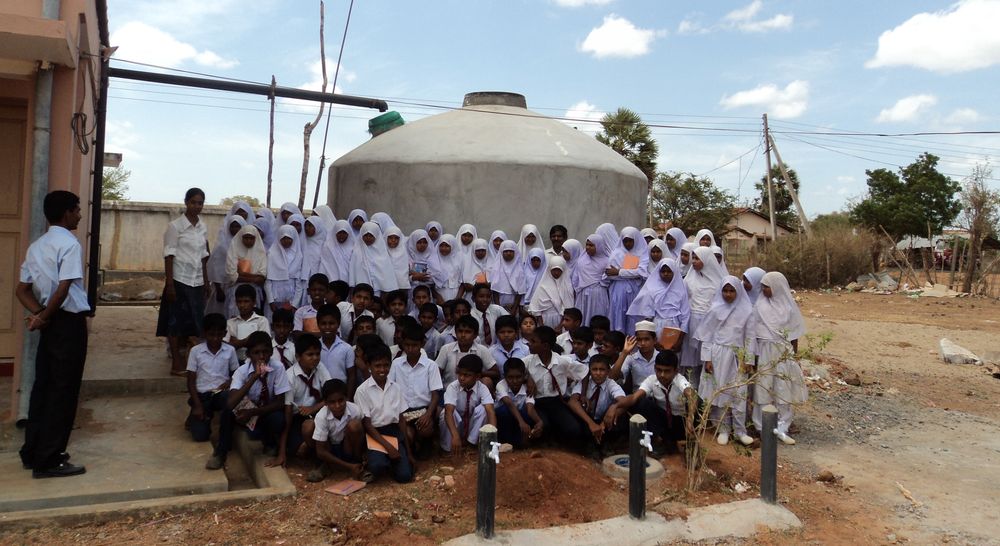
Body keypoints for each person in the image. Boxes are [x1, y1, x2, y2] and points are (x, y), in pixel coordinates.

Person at [17, 191, 91, 477]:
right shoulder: (69, 244)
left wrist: (40, 314)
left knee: (43, 387)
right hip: (67, 323)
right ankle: (49, 459)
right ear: (67, 213)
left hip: (50, 323)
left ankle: (33, 451)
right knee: (63, 391)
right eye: (77, 210)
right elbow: (64, 287)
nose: (80, 215)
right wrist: (44, 316)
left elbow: (22, 290)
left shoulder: (36, 246)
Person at [695, 276, 755, 447]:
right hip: (718, 355)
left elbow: (750, 336)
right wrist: (707, 358)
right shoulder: (714, 309)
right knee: (720, 392)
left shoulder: (747, 311)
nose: (728, 294)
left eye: (731, 291)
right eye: (725, 291)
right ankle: (723, 428)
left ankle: (740, 431)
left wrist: (748, 359)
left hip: (738, 357)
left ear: (738, 291)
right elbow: (707, 335)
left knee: (738, 393)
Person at [750, 272, 807, 445]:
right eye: (762, 287)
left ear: (776, 287)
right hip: (764, 352)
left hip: (783, 352)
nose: (764, 290)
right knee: (763, 388)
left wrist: (793, 356)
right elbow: (752, 334)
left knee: (783, 388)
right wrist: (753, 357)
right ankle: (761, 426)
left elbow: (794, 335)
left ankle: (783, 426)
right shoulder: (759, 306)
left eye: (767, 287)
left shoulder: (788, 308)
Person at [611, 350, 697, 456]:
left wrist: (690, 418)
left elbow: (692, 395)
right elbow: (634, 397)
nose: (662, 375)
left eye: (667, 371)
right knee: (642, 403)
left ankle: (691, 442)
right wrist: (615, 406)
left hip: (682, 423)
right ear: (655, 368)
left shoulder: (679, 380)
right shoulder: (652, 380)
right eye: (659, 370)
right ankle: (663, 441)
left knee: (699, 404)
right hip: (664, 422)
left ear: (675, 371)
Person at [162, 187, 209, 375]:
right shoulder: (175, 227)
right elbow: (169, 256)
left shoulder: (203, 227)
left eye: (200, 203)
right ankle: (176, 362)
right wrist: (170, 284)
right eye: (193, 202)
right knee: (175, 323)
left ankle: (189, 361)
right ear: (186, 202)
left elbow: (204, 256)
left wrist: (206, 282)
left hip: (197, 282)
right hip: (179, 280)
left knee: (195, 323)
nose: (197, 206)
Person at [354, 344, 415, 483]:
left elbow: (401, 420)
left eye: (386, 365)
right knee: (377, 466)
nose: (382, 369)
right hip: (375, 434)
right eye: (377, 366)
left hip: (393, 432)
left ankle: (393, 461)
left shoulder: (396, 387)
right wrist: (389, 447)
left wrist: (409, 453)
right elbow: (367, 425)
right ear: (369, 365)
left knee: (405, 477)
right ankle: (374, 458)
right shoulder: (362, 391)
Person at [187, 313, 240, 470]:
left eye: (219, 334)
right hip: (202, 395)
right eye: (211, 334)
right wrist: (197, 405)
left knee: (229, 404)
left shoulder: (229, 350)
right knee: (200, 436)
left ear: (224, 333)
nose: (215, 338)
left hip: (220, 393)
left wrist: (229, 382)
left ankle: (222, 449)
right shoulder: (196, 351)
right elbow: (190, 381)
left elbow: (236, 374)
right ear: (204, 333)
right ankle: (196, 411)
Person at [228, 332, 291, 462]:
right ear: (248, 354)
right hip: (248, 414)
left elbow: (280, 402)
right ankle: (222, 449)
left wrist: (254, 412)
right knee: (227, 410)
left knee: (278, 419)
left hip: (265, 411)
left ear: (271, 352)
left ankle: (270, 442)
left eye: (265, 352)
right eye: (256, 353)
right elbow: (231, 403)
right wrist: (254, 377)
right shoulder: (242, 371)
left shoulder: (278, 367)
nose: (261, 356)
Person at [523, 326, 588, 443]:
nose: (529, 344)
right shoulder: (527, 361)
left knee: (573, 429)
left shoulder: (562, 361)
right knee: (544, 425)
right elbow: (513, 372)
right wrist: (528, 378)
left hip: (556, 401)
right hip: (537, 403)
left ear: (545, 346)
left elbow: (584, 372)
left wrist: (583, 394)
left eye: (533, 341)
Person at [388, 326, 443, 456]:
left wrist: (428, 414)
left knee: (425, 429)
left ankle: (426, 442)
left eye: (414, 345)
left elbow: (435, 395)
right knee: (407, 434)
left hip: (424, 410)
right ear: (402, 344)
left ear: (422, 344)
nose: (410, 349)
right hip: (403, 411)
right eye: (407, 345)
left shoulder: (431, 365)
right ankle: (411, 447)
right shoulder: (396, 364)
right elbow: (390, 388)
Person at [278, 333, 332, 466]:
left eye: (317, 354)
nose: (315, 358)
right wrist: (282, 452)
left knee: (311, 428)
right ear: (298, 357)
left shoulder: (320, 368)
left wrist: (313, 408)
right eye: (310, 354)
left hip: (318, 411)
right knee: (299, 450)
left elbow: (332, 394)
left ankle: (323, 458)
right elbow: (288, 411)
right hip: (297, 417)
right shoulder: (290, 376)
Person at [306, 379, 370, 483]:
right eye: (332, 402)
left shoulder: (355, 410)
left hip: (347, 447)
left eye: (341, 400)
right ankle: (325, 465)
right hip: (330, 448)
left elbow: (362, 434)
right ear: (325, 403)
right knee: (307, 426)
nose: (337, 405)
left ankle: (357, 462)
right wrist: (348, 466)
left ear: (346, 398)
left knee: (355, 425)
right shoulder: (321, 416)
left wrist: (364, 454)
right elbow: (321, 451)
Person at [682, 246, 726, 391]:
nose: (693, 261)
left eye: (697, 258)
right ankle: (691, 393)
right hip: (692, 323)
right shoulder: (689, 279)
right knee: (692, 362)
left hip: (710, 326)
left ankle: (706, 393)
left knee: (707, 360)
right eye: (693, 258)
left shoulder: (719, 282)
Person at [568, 354, 627, 458]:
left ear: (608, 371)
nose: (598, 373)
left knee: (620, 413)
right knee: (578, 415)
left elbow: (623, 401)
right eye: (594, 369)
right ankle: (589, 445)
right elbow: (572, 402)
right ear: (589, 371)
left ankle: (607, 443)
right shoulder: (584, 383)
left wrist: (608, 416)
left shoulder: (611, 384)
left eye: (602, 370)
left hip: (604, 419)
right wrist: (591, 424)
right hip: (588, 420)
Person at [627, 258, 690, 353]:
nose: (666, 274)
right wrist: (653, 339)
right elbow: (648, 315)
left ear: (674, 272)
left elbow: (685, 316)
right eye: (663, 271)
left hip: (674, 327)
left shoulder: (681, 289)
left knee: (672, 355)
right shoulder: (652, 289)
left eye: (669, 271)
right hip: (656, 326)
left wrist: (680, 340)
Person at [440, 355, 497, 455]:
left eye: (467, 375)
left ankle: (471, 445)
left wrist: (492, 437)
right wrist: (455, 436)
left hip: (471, 425)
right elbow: (449, 412)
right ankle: (448, 448)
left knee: (484, 409)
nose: (461, 378)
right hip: (455, 426)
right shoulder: (453, 387)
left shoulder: (482, 388)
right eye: (460, 374)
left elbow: (490, 411)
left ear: (478, 376)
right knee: (446, 412)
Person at [605, 227, 649, 334]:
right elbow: (609, 274)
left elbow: (642, 273)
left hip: (635, 291)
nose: (628, 244)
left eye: (630, 241)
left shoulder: (642, 252)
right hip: (619, 291)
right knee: (618, 318)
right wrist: (631, 273)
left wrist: (619, 272)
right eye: (625, 241)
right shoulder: (617, 254)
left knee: (634, 319)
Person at [436, 315, 499, 385]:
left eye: (468, 332)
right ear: (455, 333)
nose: (463, 335)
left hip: (474, 389)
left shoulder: (482, 350)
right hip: (450, 388)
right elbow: (436, 373)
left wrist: (475, 373)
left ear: (475, 335)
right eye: (460, 331)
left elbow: (495, 372)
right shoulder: (446, 349)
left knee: (487, 381)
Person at [494, 358, 543, 448]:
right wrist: (521, 422)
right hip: (504, 420)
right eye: (510, 377)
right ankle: (507, 441)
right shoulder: (501, 385)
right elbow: (509, 403)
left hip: (518, 420)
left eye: (518, 377)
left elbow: (530, 408)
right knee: (504, 411)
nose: (515, 381)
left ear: (524, 376)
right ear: (504, 376)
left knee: (527, 413)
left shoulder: (527, 388)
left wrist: (539, 422)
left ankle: (522, 440)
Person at [205, 213, 246, 316]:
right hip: (222, 287)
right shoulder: (221, 246)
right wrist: (218, 289)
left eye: (238, 226)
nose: (235, 229)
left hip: (240, 286)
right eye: (232, 226)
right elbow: (215, 268)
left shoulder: (246, 245)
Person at [225, 224, 267, 318]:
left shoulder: (260, 252)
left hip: (254, 292)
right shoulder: (234, 249)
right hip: (236, 291)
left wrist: (242, 274)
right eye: (246, 238)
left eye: (251, 238)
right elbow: (232, 275)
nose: (248, 241)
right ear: (241, 237)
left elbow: (261, 277)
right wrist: (254, 277)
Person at [349, 221, 400, 296]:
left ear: (376, 236)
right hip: (360, 291)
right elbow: (353, 273)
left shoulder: (382, 254)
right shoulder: (356, 252)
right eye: (365, 235)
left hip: (377, 292)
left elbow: (386, 276)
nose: (368, 238)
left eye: (371, 236)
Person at [225, 284, 271, 363]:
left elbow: (264, 344)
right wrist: (250, 340)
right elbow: (226, 348)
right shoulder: (230, 323)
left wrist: (237, 342)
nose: (242, 305)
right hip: (235, 362)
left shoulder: (262, 321)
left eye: (246, 301)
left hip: (257, 362)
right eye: (239, 301)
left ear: (254, 302)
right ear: (236, 302)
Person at [265, 225, 303, 321]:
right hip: (275, 299)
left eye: (289, 238)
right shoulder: (271, 254)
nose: (286, 241)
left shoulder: (298, 256)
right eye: (283, 238)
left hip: (291, 300)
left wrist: (294, 304)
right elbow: (268, 281)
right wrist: (271, 301)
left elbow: (299, 283)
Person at [610, 321, 659, 393]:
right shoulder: (631, 358)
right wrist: (624, 353)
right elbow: (612, 377)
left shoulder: (661, 356)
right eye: (639, 340)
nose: (643, 343)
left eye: (646, 339)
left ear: (655, 340)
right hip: (638, 397)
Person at [315, 304, 355, 391]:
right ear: (318, 324)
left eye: (331, 323)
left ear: (338, 323)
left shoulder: (347, 348)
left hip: (341, 393)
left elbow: (351, 376)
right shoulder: (314, 347)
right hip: (319, 393)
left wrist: (348, 396)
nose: (327, 327)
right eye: (323, 323)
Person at [574, 233, 611, 326]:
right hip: (582, 294)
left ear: (599, 246)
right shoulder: (581, 260)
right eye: (587, 245)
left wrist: (601, 283)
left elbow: (608, 278)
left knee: (597, 318)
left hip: (598, 294)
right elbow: (576, 277)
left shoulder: (606, 261)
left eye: (591, 245)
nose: (588, 247)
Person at [528, 256, 575, 329]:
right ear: (549, 269)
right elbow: (536, 309)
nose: (556, 273)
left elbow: (569, 308)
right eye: (554, 270)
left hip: (562, 322)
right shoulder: (542, 287)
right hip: (545, 321)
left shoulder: (567, 287)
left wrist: (560, 326)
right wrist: (542, 327)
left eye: (559, 270)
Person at [488, 240, 526, 314]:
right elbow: (495, 290)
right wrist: (499, 309)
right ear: (501, 252)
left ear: (515, 252)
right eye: (506, 251)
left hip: (514, 306)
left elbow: (520, 291)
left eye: (511, 251)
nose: (508, 253)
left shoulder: (519, 270)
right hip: (498, 305)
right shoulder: (496, 268)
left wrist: (514, 309)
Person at [299, 217, 328, 307]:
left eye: (310, 226)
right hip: (303, 281)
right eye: (306, 226)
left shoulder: (325, 245)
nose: (307, 228)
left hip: (320, 281)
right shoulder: (301, 243)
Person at [429, 234, 464, 302]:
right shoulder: (433, 261)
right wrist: (438, 297)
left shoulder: (460, 260)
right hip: (438, 295)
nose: (443, 248)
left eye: (447, 246)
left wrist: (458, 299)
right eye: (441, 245)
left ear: (452, 246)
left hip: (456, 294)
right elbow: (430, 283)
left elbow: (463, 282)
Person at [385, 226, 412, 295]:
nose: (393, 240)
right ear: (385, 238)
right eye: (390, 237)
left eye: (396, 238)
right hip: (385, 288)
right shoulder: (382, 253)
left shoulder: (404, 254)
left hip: (402, 288)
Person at [521, 248, 547, 314]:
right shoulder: (523, 272)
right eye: (533, 260)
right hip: (525, 305)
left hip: (541, 304)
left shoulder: (546, 273)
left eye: (538, 260)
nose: (535, 262)